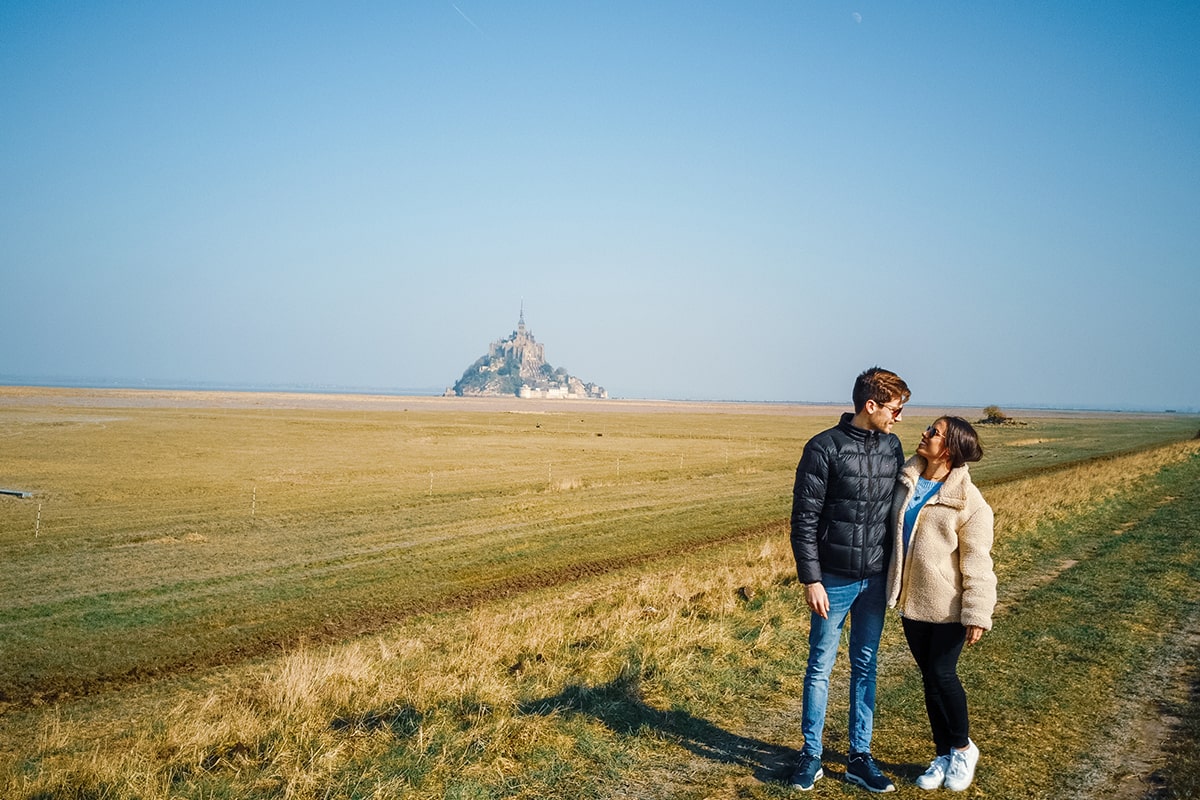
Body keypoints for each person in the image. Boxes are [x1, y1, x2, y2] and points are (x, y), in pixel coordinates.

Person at [788, 367, 911, 793]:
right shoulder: (823, 448)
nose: (899, 418)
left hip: (875, 580)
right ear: (871, 406)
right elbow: (803, 519)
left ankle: (860, 757)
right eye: (895, 409)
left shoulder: (892, 447)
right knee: (820, 667)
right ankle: (810, 756)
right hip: (833, 582)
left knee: (865, 666)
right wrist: (811, 579)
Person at [886, 416, 996, 792]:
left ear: (949, 449)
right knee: (929, 680)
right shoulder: (906, 482)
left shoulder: (970, 503)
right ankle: (943, 753)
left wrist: (977, 613)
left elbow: (978, 563)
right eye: (929, 429)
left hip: (949, 607)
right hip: (912, 604)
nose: (925, 434)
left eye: (934, 432)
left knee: (942, 675)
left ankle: (963, 748)